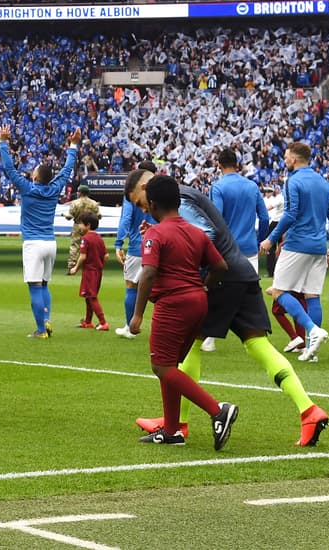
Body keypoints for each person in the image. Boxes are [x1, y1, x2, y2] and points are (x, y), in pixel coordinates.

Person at [126, 167, 329, 448]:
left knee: (188, 349)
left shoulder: (180, 199)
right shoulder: (186, 195)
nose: (143, 210)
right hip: (241, 270)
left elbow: (201, 236)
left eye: (140, 202)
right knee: (258, 346)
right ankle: (309, 410)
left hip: (217, 278)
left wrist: (162, 241)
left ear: (147, 189)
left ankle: (177, 425)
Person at [127, 174, 238, 450]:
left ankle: (218, 410)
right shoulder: (195, 231)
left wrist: (137, 314)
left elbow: (148, 272)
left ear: (153, 204)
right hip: (198, 302)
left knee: (161, 367)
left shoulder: (156, 233)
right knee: (170, 366)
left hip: (172, 304)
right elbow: (220, 266)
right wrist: (203, 286)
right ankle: (172, 430)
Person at [0, 124, 81, 339]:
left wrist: (3, 142)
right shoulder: (54, 189)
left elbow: (9, 169)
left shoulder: (27, 188)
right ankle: (47, 318)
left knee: (34, 287)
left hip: (33, 244)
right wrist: (73, 146)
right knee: (44, 285)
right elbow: (67, 170)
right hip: (50, 243)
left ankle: (41, 330)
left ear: (35, 178)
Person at [259, 142, 329, 363]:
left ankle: (312, 330)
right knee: (312, 295)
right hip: (318, 246)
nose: (285, 160)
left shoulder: (293, 181)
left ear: (293, 159)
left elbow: (291, 213)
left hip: (297, 244)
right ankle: (312, 351)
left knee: (278, 291)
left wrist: (271, 238)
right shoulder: (324, 184)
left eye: (286, 156)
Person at [206, 147, 270, 352]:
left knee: (217, 290)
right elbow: (265, 217)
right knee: (251, 293)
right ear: (237, 165)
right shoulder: (252, 186)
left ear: (219, 165)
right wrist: (260, 240)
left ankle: (209, 337)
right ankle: (258, 337)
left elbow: (216, 219)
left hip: (227, 249)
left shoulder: (218, 187)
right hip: (249, 248)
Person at [114, 161, 153, 339]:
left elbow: (126, 218)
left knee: (131, 286)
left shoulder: (133, 193)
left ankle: (130, 327)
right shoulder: (162, 192)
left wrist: (119, 243)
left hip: (138, 245)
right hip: (159, 244)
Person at [67, 214, 108, 330]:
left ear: (88, 225)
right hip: (98, 271)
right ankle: (88, 321)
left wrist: (75, 268)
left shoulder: (86, 239)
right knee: (89, 296)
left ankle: (103, 322)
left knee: (92, 296)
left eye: (80, 223)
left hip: (89, 271)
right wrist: (100, 265)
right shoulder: (99, 238)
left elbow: (83, 256)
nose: (79, 226)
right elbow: (106, 256)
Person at [63, 184, 101, 271]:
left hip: (78, 226)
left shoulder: (75, 203)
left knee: (75, 245)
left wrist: (64, 215)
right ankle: (90, 263)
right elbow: (98, 216)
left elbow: (69, 216)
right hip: (90, 227)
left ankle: (72, 265)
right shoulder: (94, 203)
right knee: (91, 246)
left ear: (80, 192)